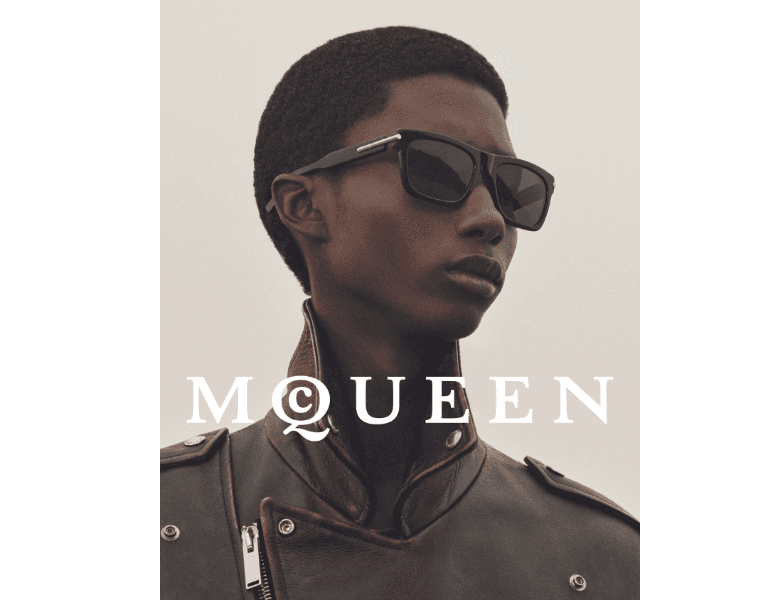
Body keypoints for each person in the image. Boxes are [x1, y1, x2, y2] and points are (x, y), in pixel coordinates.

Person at [161, 26, 639, 599]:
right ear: (304, 204)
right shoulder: (167, 519)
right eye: (437, 168)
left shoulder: (605, 561)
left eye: (512, 189)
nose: (491, 218)